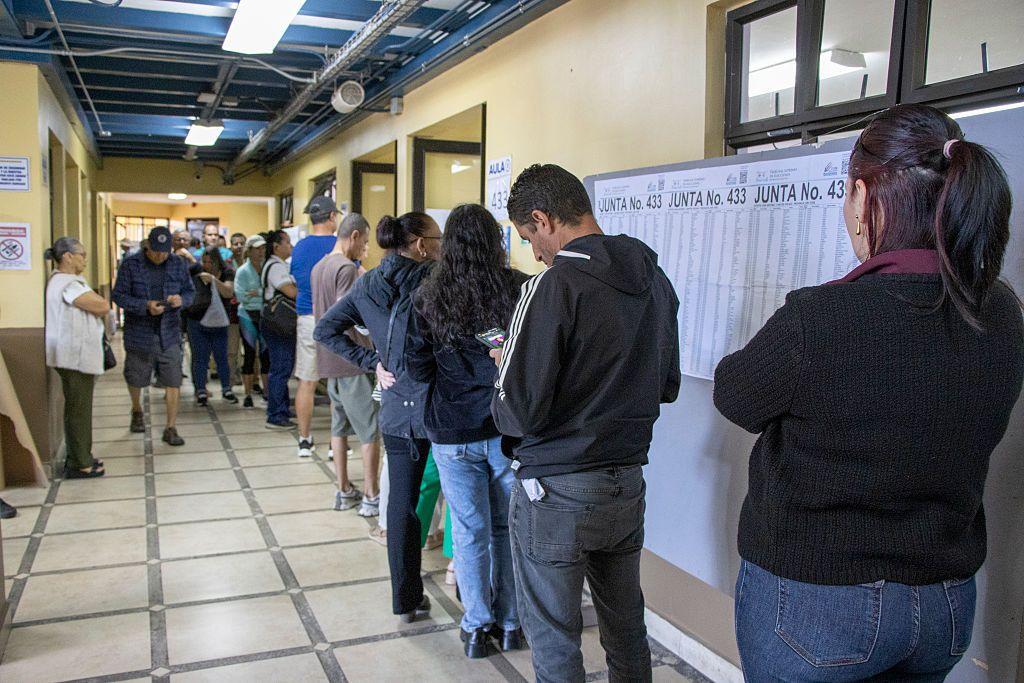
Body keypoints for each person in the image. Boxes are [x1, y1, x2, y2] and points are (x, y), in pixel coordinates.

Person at [712, 104, 1024, 682]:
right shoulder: (1001, 311)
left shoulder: (824, 315)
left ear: (863, 195)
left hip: (817, 605)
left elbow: (736, 395)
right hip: (943, 605)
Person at [491, 164, 680, 682]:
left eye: (531, 237)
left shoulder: (552, 286)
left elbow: (517, 412)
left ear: (542, 219)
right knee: (625, 627)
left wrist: (507, 369)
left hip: (556, 489)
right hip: (625, 483)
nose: (534, 251)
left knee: (554, 635)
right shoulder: (654, 279)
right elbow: (667, 385)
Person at [408, 204, 528, 657]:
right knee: (506, 528)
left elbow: (417, 368)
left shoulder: (428, 296)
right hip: (505, 428)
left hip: (451, 433)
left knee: (471, 529)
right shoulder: (517, 288)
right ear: (495, 242)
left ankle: (477, 627)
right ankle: (512, 623)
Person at [314, 211, 442, 623]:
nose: (443, 245)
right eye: (438, 239)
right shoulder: (438, 281)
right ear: (421, 245)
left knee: (400, 506)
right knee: (463, 502)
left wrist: (373, 360)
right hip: (442, 407)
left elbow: (326, 330)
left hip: (396, 408)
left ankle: (405, 598)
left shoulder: (368, 282)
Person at [311, 213, 381, 516]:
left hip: (327, 361)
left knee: (338, 428)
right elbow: (351, 313)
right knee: (370, 431)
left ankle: (343, 490)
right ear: (353, 236)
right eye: (363, 242)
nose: (363, 248)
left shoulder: (319, 267)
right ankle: (371, 494)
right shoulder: (346, 269)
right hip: (353, 362)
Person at [112, 226, 195, 447]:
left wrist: (181, 300)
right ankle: (136, 409)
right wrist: (144, 306)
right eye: (156, 251)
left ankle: (170, 427)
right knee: (136, 376)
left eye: (165, 251)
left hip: (168, 331)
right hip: (139, 331)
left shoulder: (178, 264)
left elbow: (190, 291)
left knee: (173, 378)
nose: (160, 256)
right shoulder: (131, 265)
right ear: (147, 246)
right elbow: (118, 295)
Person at [44, 237, 110, 479]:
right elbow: (101, 306)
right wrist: (101, 303)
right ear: (67, 256)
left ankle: (81, 455)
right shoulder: (67, 283)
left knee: (77, 407)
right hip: (73, 356)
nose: (84, 259)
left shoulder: (63, 281)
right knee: (79, 409)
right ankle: (80, 462)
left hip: (71, 354)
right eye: (81, 254)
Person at [292, 196, 343, 458]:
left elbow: (298, 281)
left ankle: (304, 439)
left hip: (307, 317)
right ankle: (336, 445)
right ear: (332, 216)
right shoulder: (340, 245)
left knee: (307, 381)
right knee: (337, 382)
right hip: (336, 317)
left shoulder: (299, 248)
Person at [185, 248, 238, 406]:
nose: (207, 265)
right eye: (205, 262)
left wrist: (213, 280)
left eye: (211, 262)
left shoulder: (227, 272)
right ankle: (201, 390)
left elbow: (228, 292)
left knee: (222, 356)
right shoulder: (195, 270)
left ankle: (226, 388)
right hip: (196, 320)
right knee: (200, 358)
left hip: (219, 321)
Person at [261, 229, 299, 429]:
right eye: (287, 243)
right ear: (276, 246)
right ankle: (276, 415)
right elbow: (291, 292)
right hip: (278, 326)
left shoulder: (277, 265)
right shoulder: (276, 267)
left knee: (281, 367)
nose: (290, 246)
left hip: (275, 325)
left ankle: (281, 408)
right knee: (281, 368)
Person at [234, 234, 270, 408]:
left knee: (265, 355)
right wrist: (259, 293)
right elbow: (241, 296)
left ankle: (267, 392)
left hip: (264, 315)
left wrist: (257, 293)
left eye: (263, 248)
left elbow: (272, 292)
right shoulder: (242, 271)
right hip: (247, 315)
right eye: (257, 249)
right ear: (249, 251)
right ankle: (247, 394)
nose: (261, 252)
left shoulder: (266, 268)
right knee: (249, 354)